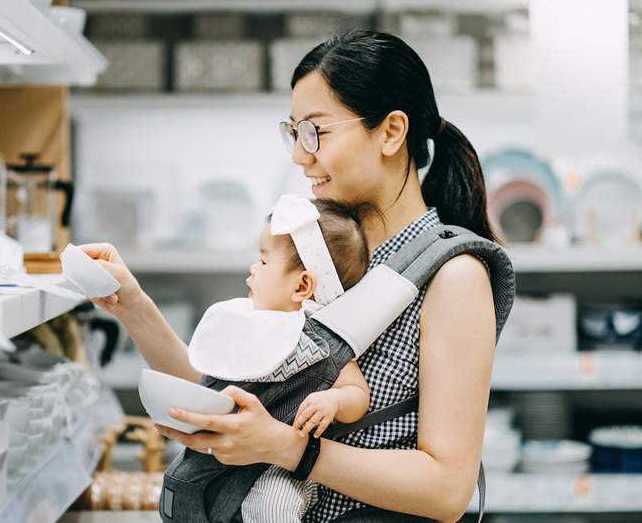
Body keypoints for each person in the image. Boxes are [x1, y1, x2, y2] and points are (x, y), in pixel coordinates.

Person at [82, 29, 498, 522]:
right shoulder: (317, 253)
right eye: (294, 132)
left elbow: (448, 491)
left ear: (390, 131)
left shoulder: (455, 276)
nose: (300, 156)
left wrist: (289, 450)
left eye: (315, 132)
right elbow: (227, 394)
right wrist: (130, 303)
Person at [183, 195, 372, 522]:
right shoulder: (248, 322)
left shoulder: (322, 337)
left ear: (302, 286)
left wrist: (335, 401)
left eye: (265, 260)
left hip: (283, 467)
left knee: (271, 506)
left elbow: (358, 392)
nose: (254, 268)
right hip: (230, 457)